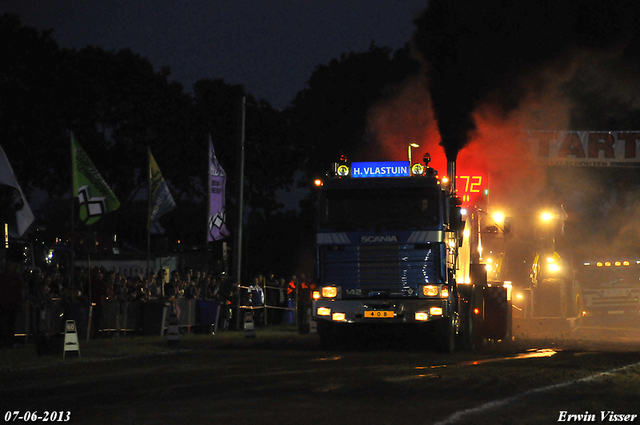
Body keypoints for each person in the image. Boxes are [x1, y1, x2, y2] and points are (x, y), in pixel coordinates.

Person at [0, 260, 25, 347]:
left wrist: (21, 301)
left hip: (12, 303)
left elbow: (21, 290)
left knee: (11, 323)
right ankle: (4, 339)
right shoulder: (3, 277)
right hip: (4, 303)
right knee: (4, 322)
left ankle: (9, 340)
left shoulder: (16, 277)